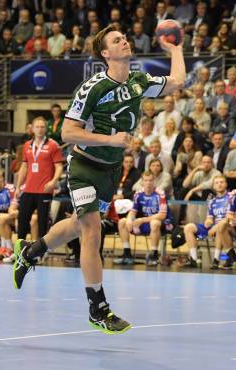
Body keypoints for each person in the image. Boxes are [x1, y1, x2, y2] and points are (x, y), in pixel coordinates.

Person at [12, 25, 185, 334]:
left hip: (111, 169)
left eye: (124, 37)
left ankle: (31, 251)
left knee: (80, 226)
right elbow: (67, 133)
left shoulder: (138, 81)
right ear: (106, 53)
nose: (125, 41)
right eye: (117, 40)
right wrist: (110, 139)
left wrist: (176, 50)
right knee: (92, 229)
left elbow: (178, 82)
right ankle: (98, 308)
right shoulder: (91, 87)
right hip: (84, 166)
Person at [15, 116, 64, 243]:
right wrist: (17, 186)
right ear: (32, 128)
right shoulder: (27, 145)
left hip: (44, 190)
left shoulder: (53, 145)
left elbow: (59, 166)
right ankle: (20, 250)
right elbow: (24, 166)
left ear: (46, 129)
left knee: (42, 221)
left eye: (42, 127)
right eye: (37, 127)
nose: (40, 129)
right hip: (28, 189)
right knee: (22, 219)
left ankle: (40, 251)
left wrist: (53, 182)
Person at [115, 172, 172, 266]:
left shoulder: (160, 193)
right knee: (122, 222)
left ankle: (154, 255)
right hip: (143, 223)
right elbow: (133, 211)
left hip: (160, 223)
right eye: (146, 180)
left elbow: (162, 215)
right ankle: (127, 254)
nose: (148, 183)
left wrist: (141, 220)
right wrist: (129, 220)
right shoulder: (138, 194)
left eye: (150, 180)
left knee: (154, 223)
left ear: (154, 181)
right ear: (142, 182)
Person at [183, 175, 230, 269]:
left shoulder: (231, 197)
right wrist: (208, 221)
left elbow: (230, 217)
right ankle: (193, 259)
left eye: (221, 182)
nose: (219, 184)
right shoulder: (212, 201)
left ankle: (216, 260)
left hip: (226, 226)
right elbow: (210, 217)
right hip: (213, 226)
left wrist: (216, 226)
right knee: (188, 227)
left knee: (220, 227)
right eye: (217, 183)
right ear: (213, 186)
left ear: (226, 184)